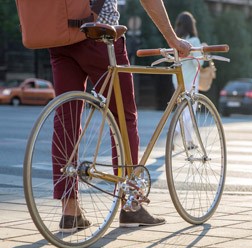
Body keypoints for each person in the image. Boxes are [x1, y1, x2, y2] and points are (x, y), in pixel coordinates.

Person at [51, 0, 192, 232]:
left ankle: (70, 210)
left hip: (59, 36)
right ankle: (130, 205)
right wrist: (172, 39)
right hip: (99, 35)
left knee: (66, 119)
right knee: (123, 119)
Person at [172, 11, 203, 149]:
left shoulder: (176, 41)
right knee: (190, 111)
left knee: (183, 110)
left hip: (177, 79)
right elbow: (198, 63)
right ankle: (174, 132)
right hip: (191, 79)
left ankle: (189, 142)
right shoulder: (194, 41)